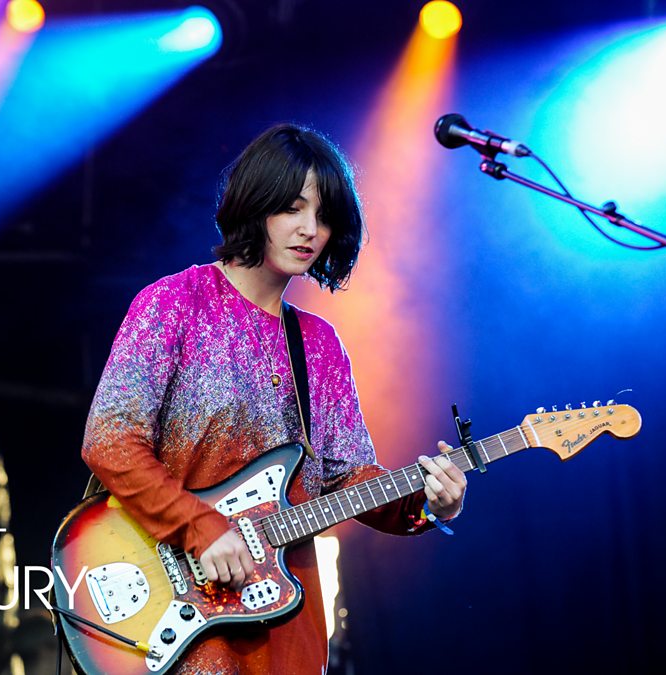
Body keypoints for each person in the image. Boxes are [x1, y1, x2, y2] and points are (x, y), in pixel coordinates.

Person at [81, 123, 467, 674]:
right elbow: (110, 441)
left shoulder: (318, 343)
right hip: (167, 598)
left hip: (281, 620)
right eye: (292, 208)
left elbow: (344, 478)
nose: (310, 229)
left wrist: (427, 502)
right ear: (256, 206)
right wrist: (200, 526)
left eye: (325, 216)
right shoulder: (174, 303)